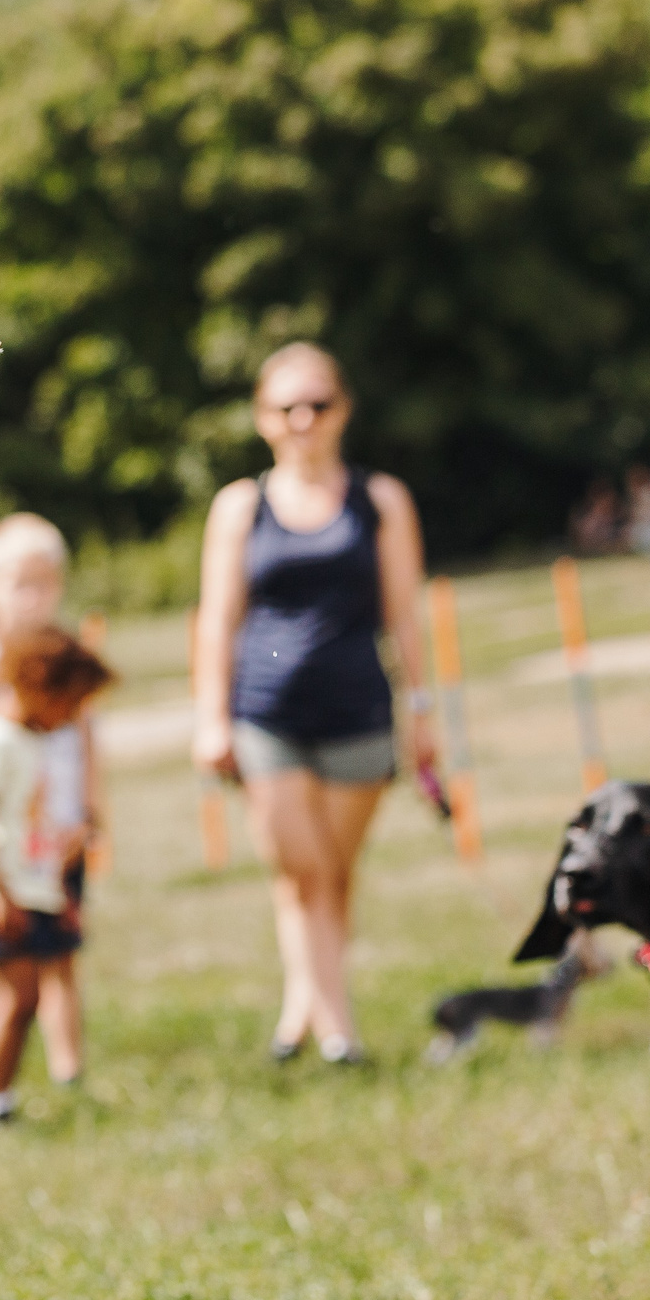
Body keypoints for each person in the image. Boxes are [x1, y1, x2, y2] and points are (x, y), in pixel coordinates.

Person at [191, 344, 436, 1064]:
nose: (304, 419)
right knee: (302, 867)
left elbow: (406, 615)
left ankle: (302, 1006)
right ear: (265, 419)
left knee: (332, 872)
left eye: (318, 404)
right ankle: (339, 1029)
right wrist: (210, 717)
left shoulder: (381, 499)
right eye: (288, 407)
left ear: (342, 411)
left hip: (358, 708)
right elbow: (217, 619)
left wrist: (423, 712)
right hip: (266, 714)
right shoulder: (241, 505)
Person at [0, 512, 100, 1088]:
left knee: (62, 952)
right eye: (21, 584)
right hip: (12, 836)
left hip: (60, 833)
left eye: (45, 584)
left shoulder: (66, 659)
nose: (35, 597)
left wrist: (90, 814)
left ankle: (69, 1065)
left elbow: (87, 738)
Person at [0, 627, 115, 1132]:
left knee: (28, 996)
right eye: (68, 704)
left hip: (32, 887)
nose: (70, 718)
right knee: (16, 995)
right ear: (38, 688)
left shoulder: (33, 737)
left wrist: (59, 888)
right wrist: (2, 895)